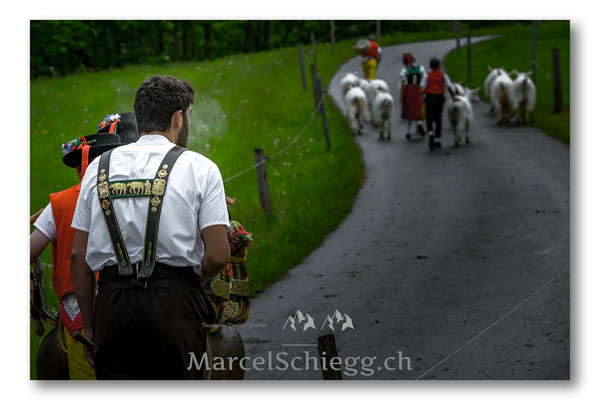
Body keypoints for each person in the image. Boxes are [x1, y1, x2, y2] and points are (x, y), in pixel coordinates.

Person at [70, 75, 231, 380]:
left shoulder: (96, 169)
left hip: (113, 307)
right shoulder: (201, 167)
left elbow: (78, 257)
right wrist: (190, 280)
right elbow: (219, 256)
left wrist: (89, 326)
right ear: (179, 117)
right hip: (175, 304)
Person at [30, 113, 138, 379]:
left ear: (80, 167)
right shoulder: (133, 192)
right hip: (127, 301)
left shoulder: (60, 203)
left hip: (79, 311)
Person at [420, 58, 457, 150]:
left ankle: (430, 133)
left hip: (430, 98)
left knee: (429, 117)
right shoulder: (444, 76)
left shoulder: (427, 76)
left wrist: (422, 96)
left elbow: (422, 89)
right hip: (440, 98)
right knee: (438, 118)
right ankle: (438, 139)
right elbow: (449, 87)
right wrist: (454, 97)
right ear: (438, 66)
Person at [399, 52, 426, 139]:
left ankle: (408, 131)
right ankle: (419, 123)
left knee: (409, 110)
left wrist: (402, 96)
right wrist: (423, 90)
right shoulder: (421, 68)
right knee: (419, 108)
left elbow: (403, 84)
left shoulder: (404, 70)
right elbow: (424, 79)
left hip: (409, 90)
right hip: (418, 89)